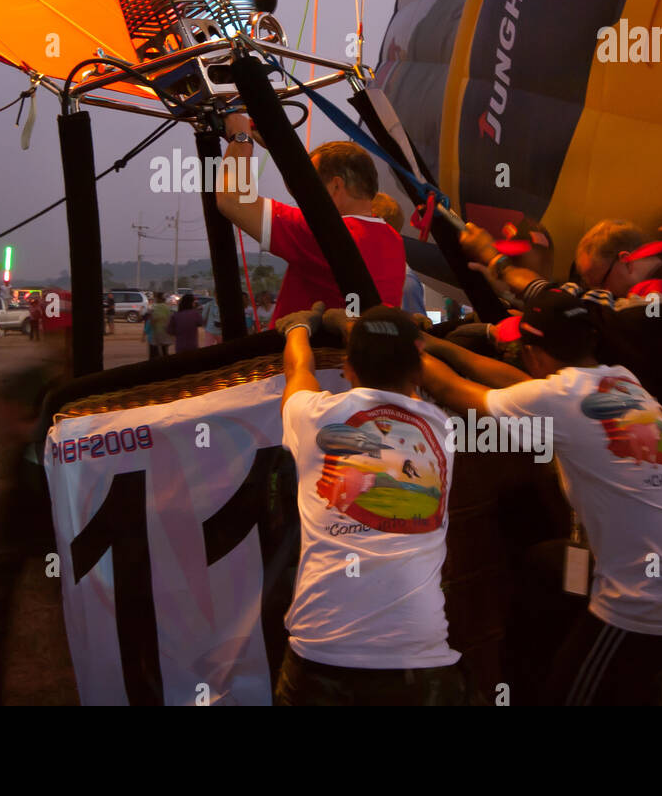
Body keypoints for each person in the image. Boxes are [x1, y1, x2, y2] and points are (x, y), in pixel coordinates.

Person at [421, 288, 662, 705]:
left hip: (655, 598)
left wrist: (406, 350)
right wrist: (439, 345)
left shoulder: (554, 399)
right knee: (547, 566)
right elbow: (523, 387)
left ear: (532, 353)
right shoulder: (619, 381)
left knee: (570, 695)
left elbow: (454, 391)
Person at [275, 302, 469, 705]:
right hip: (420, 655)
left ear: (347, 367)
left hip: (322, 651)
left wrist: (299, 328)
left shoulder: (313, 416)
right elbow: (436, 378)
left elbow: (299, 372)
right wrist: (352, 326)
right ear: (417, 367)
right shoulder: (441, 427)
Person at [216, 113, 405, 318]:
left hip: (307, 347)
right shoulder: (392, 238)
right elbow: (306, 193)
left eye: (314, 182)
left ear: (336, 185)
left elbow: (232, 198)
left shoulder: (326, 233)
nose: (307, 189)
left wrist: (241, 137)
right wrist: (278, 148)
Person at [147, 291, 171, 358]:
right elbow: (170, 320)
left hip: (157, 334)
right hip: (165, 333)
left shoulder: (155, 308)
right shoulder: (167, 308)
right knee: (165, 352)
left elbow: (152, 321)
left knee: (156, 354)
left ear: (158, 298)